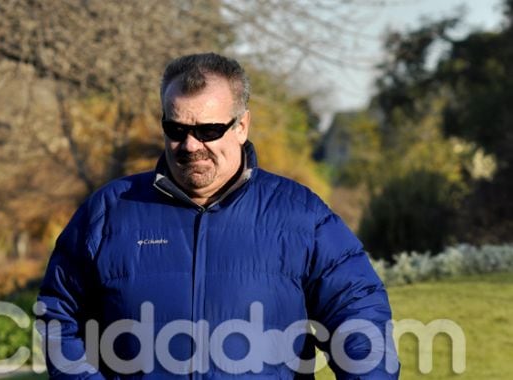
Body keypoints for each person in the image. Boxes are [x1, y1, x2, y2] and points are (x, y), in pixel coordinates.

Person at [37, 52, 400, 379]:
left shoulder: (302, 216)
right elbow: (58, 316)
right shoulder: (108, 212)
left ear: (242, 126)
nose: (191, 145)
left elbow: (360, 318)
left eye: (208, 130)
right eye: (176, 130)